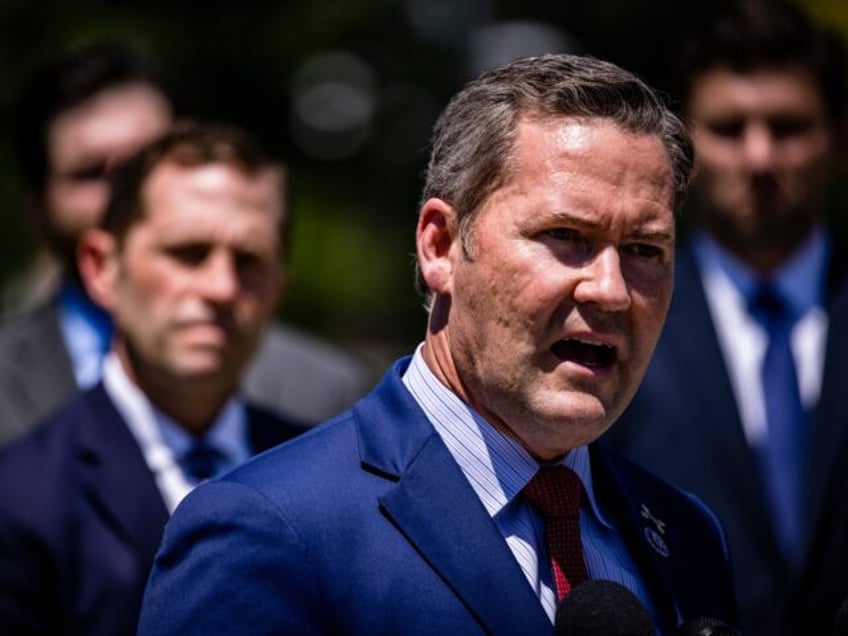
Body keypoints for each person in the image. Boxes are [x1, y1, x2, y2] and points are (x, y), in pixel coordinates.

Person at [138, 54, 739, 635]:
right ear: (441, 246)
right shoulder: (267, 531)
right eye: (566, 236)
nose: (610, 290)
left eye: (644, 250)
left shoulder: (686, 536)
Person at [0, 121, 308, 636]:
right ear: (103, 268)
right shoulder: (18, 500)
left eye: (249, 260)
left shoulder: (322, 469)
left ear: (279, 286)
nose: (221, 286)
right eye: (187, 253)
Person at [603, 1, 848, 634]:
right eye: (730, 128)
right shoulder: (614, 315)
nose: (760, 158)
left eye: (789, 127)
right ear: (684, 145)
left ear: (838, 136)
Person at [0, 41, 377, 445]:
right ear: (38, 207)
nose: (121, 192)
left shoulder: (329, 394)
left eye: (147, 160)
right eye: (90, 173)